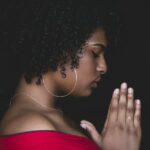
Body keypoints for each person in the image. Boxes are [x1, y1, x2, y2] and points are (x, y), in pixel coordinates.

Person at [0, 1, 141, 150]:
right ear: (60, 47)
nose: (103, 67)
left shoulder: (51, 120)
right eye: (95, 53)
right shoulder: (33, 127)